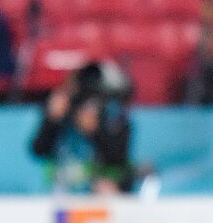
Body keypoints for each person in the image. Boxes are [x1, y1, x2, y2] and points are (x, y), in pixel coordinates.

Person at [30, 61, 135, 194]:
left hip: (99, 190)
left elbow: (117, 158)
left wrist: (96, 131)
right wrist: (52, 121)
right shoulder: (61, 107)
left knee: (106, 189)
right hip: (62, 188)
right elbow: (39, 150)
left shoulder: (112, 113)